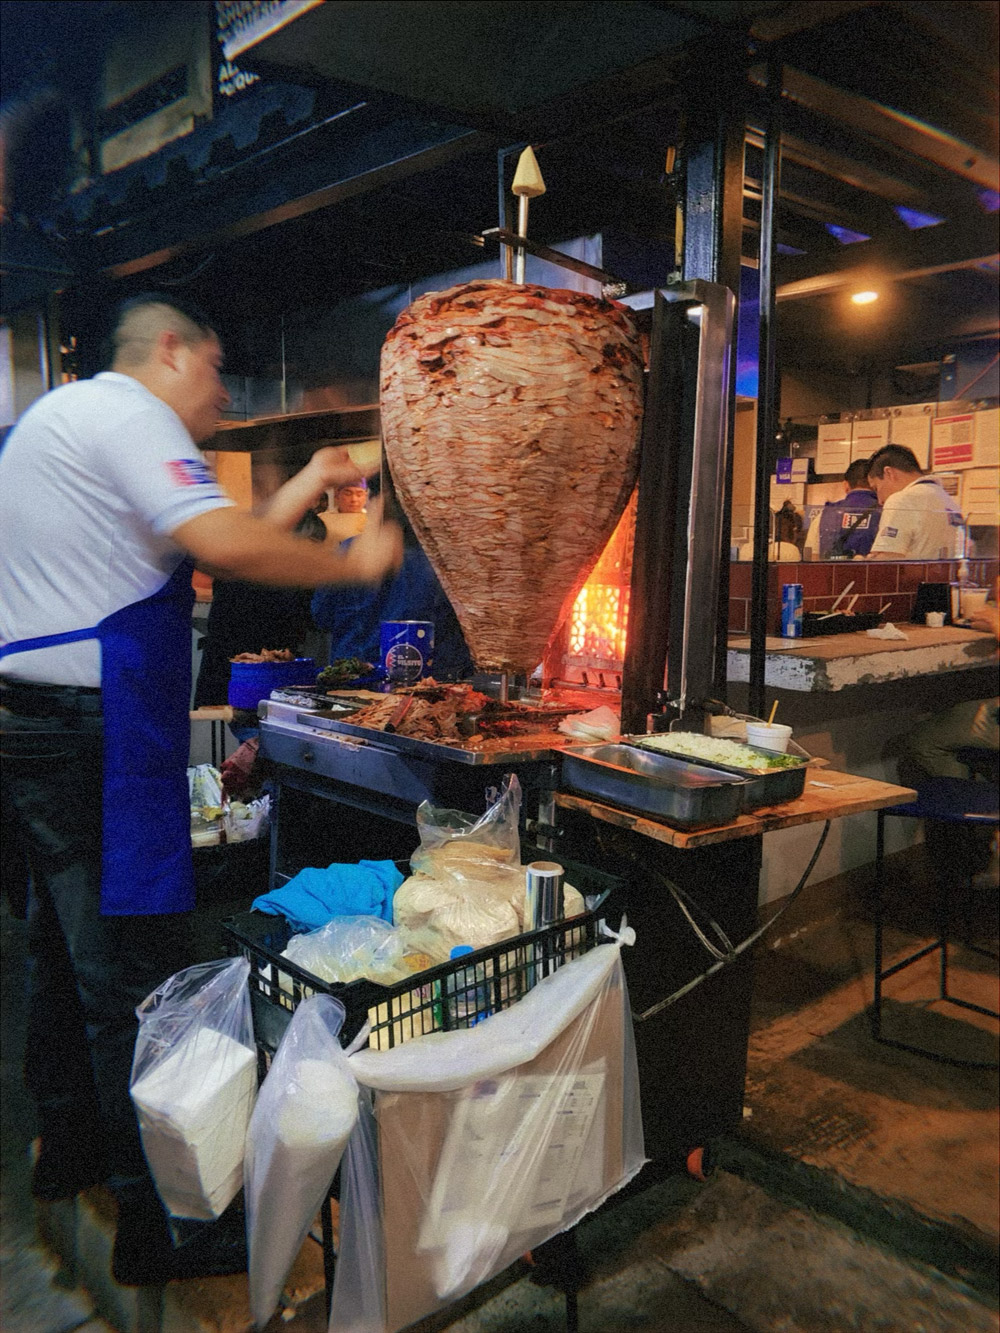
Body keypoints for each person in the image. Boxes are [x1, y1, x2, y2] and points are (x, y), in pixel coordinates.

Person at [0, 294, 402, 1286]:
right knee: (132, 972)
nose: (223, 396)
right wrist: (355, 560)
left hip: (40, 726)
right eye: (217, 370)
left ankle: (70, 1150)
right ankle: (162, 1224)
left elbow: (198, 540)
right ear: (170, 351)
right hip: (95, 731)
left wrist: (305, 480)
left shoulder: (63, 416)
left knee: (63, 948)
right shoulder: (129, 413)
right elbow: (222, 543)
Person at [312, 513, 474, 682]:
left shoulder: (347, 550)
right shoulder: (449, 556)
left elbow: (322, 616)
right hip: (431, 679)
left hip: (354, 674)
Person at [866, 444, 964, 560]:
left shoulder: (900, 500)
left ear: (889, 473)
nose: (880, 501)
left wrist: (864, 560)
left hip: (913, 572)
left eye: (876, 488)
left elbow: (888, 560)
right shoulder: (948, 501)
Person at [802, 458, 881, 559]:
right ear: (876, 483)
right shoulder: (887, 511)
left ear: (845, 485)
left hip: (832, 569)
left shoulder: (824, 515)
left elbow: (812, 558)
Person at [320, 476, 369, 542]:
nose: (354, 499)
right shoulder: (322, 520)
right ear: (337, 495)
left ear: (365, 497)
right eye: (348, 494)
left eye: (359, 495)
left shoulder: (373, 520)